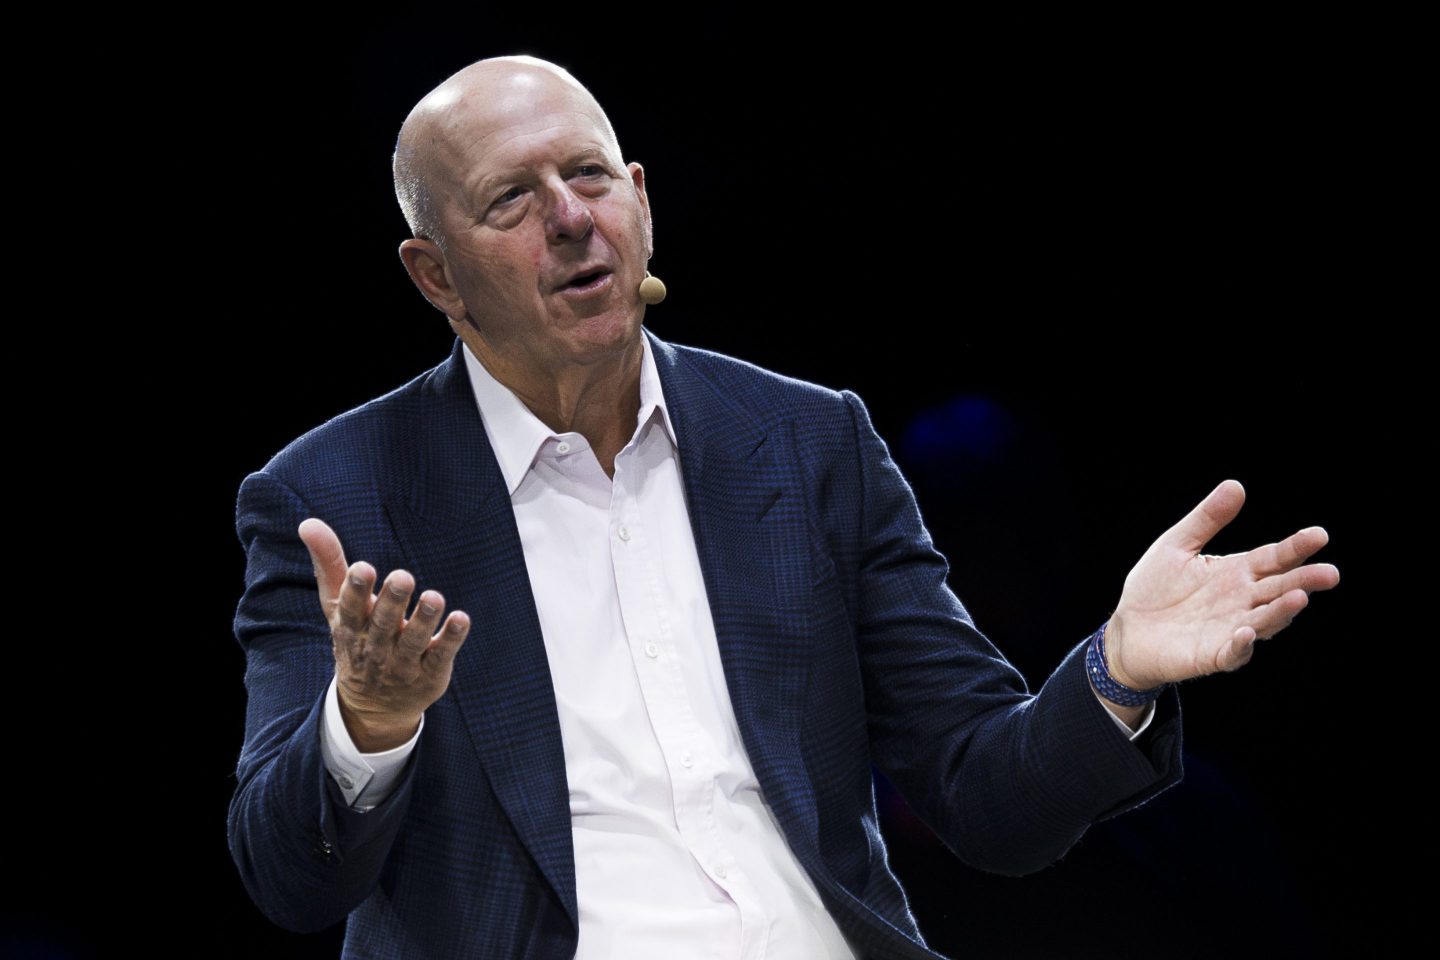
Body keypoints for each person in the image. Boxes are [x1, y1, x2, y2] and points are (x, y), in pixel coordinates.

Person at [227, 54, 1339, 959]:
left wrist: (1117, 669)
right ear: (435, 275)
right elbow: (288, 880)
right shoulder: (334, 498)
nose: (569, 218)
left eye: (591, 175)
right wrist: (370, 724)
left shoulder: (808, 442)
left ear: (642, 200)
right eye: (512, 199)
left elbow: (987, 799)